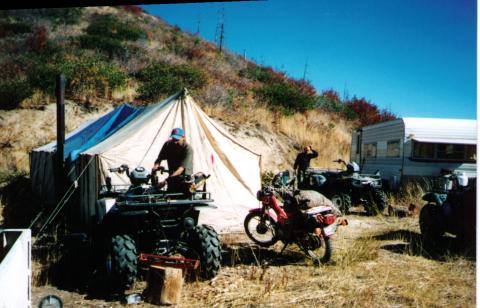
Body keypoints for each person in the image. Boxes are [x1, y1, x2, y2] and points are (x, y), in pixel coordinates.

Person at [152, 127, 193, 194]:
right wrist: (156, 166)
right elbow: (159, 158)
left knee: (180, 199)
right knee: (169, 197)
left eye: (177, 139)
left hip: (183, 180)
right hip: (171, 178)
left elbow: (180, 170)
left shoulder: (187, 149)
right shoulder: (168, 145)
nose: (175, 142)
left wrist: (165, 181)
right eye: (173, 139)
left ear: (183, 137)